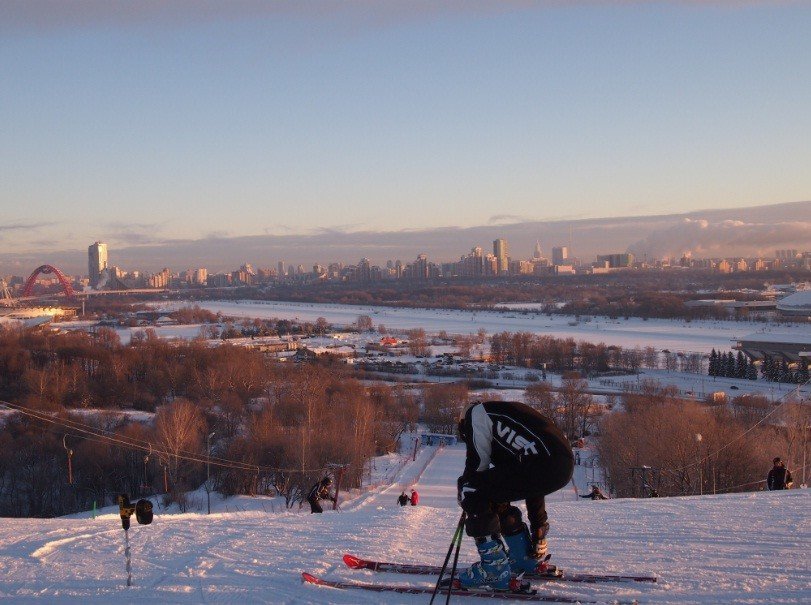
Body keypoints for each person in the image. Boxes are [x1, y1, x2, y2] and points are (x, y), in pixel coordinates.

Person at [453, 401, 574, 590]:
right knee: (494, 493)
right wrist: (538, 528)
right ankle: (523, 557)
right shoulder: (504, 415)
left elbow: (477, 467)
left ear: (463, 426)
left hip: (544, 463)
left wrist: (467, 492)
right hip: (562, 464)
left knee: (472, 490)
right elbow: (532, 477)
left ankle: (494, 569)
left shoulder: (476, 414)